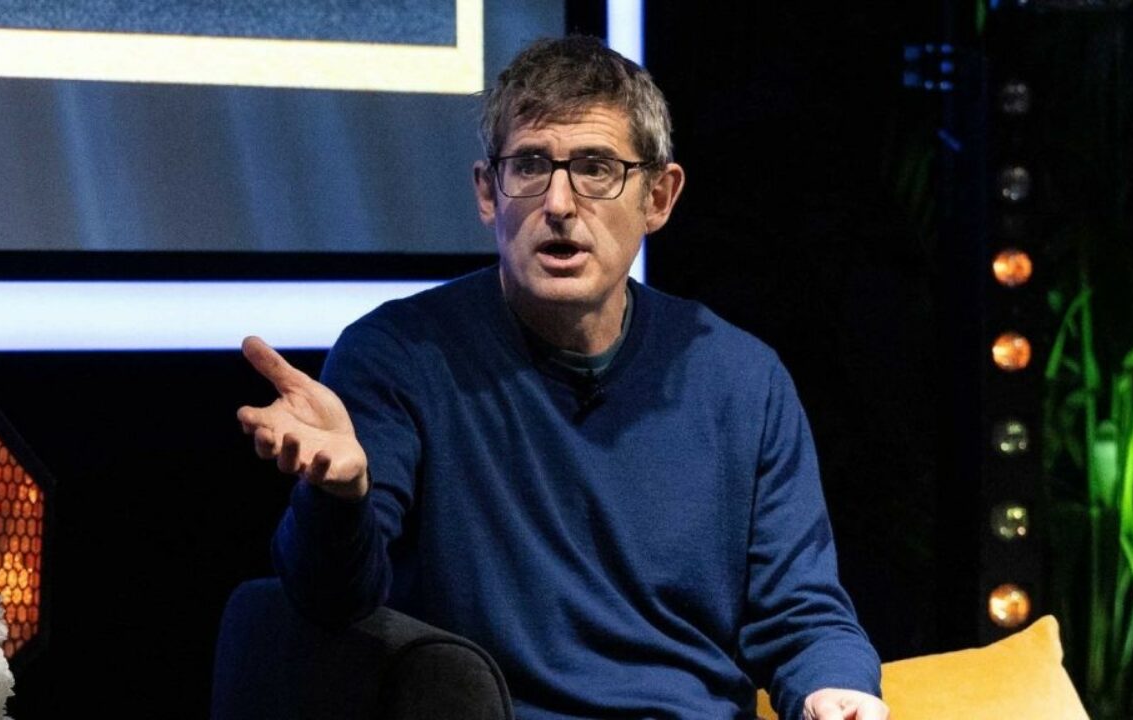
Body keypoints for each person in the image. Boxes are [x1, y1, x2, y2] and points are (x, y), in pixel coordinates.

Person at [237, 35, 889, 720]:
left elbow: (802, 614)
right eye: (529, 166)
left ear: (659, 197)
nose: (559, 203)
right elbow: (330, 606)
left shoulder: (742, 379)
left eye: (595, 168)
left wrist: (836, 690)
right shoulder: (399, 356)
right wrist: (337, 499)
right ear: (487, 192)